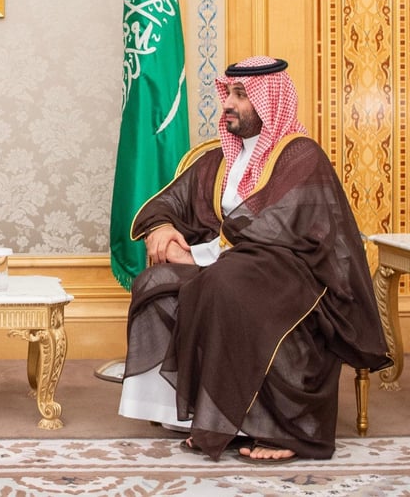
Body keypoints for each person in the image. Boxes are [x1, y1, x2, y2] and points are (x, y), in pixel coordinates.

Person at [118, 56, 390, 463]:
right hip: (233, 268)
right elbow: (168, 203)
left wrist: (196, 254)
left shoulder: (300, 155)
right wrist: (161, 229)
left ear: (269, 102)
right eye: (228, 93)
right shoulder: (218, 160)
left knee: (226, 282)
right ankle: (192, 416)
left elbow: (273, 226)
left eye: (241, 95)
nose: (228, 103)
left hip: (297, 276)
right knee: (156, 283)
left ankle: (285, 430)